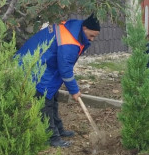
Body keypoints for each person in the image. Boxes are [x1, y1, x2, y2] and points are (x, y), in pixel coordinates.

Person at [16, 14, 101, 147]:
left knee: (53, 96)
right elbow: (65, 68)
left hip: (45, 63)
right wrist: (74, 90)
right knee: (44, 101)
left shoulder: (73, 28)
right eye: (91, 35)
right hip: (34, 65)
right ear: (84, 28)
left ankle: (59, 129)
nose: (92, 39)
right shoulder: (70, 42)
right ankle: (51, 138)